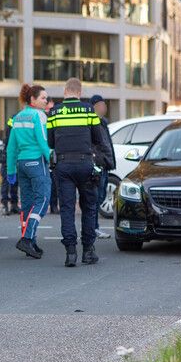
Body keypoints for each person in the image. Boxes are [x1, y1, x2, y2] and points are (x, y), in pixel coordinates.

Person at [47, 78, 103, 267]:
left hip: (63, 166)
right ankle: (88, 251)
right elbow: (98, 137)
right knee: (88, 207)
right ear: (79, 92)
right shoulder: (89, 110)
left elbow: (50, 143)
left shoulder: (54, 112)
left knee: (67, 209)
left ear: (65, 91)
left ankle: (71, 252)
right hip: (85, 163)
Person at [6, 84, 51, 259]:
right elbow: (42, 141)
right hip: (37, 162)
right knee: (43, 200)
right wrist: (51, 158)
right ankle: (26, 238)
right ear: (33, 99)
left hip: (21, 163)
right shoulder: (39, 116)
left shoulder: (17, 117)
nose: (46, 101)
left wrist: (10, 171)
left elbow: (11, 147)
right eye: (43, 98)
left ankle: (30, 241)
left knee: (27, 204)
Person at [89, 95, 115, 239]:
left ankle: (93, 227)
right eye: (100, 105)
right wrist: (98, 159)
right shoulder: (91, 122)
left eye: (104, 105)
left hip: (104, 164)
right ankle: (92, 228)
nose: (104, 108)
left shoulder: (103, 123)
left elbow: (107, 145)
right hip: (98, 165)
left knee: (101, 196)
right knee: (95, 197)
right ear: (94, 107)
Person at [0, 116, 20, 216]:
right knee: (7, 182)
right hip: (9, 155)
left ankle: (14, 205)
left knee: (14, 182)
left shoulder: (14, 119)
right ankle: (5, 205)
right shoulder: (14, 119)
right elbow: (9, 139)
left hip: (14, 154)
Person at [45, 98, 59, 214]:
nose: (49, 110)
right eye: (48, 108)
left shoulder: (53, 118)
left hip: (53, 155)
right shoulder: (42, 118)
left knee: (54, 184)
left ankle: (53, 206)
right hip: (45, 155)